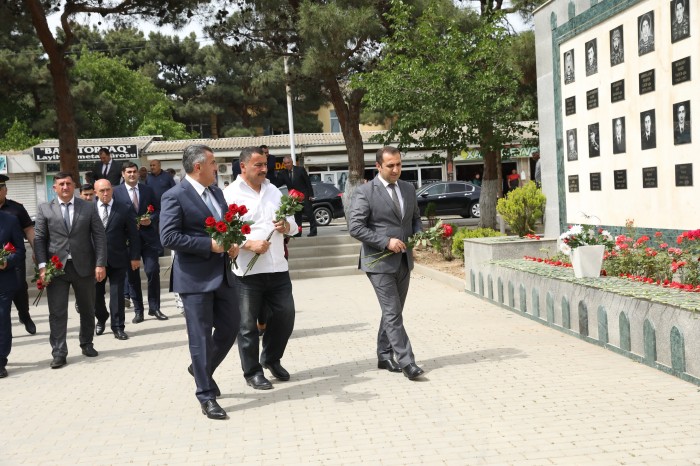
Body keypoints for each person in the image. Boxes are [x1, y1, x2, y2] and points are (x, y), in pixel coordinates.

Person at [160, 144, 241, 420]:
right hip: (194, 279)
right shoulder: (175, 196)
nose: (216, 168)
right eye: (213, 163)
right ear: (198, 167)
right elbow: (169, 237)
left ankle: (200, 368)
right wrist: (210, 245)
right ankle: (206, 396)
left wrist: (232, 243)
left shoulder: (217, 193)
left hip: (223, 274)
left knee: (231, 328)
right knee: (200, 338)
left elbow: (226, 226)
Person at [223, 146, 297, 391]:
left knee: (285, 316)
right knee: (247, 326)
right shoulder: (229, 194)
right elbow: (224, 234)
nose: (265, 169)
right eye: (259, 165)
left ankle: (271, 359)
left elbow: (295, 226)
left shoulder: (274, 191)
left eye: (265, 164)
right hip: (247, 272)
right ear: (243, 166)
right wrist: (248, 244)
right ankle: (252, 372)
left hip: (277, 267)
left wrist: (287, 226)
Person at [348, 146, 424, 380]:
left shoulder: (408, 189)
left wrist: (419, 236)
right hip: (378, 262)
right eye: (390, 165)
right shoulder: (365, 192)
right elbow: (356, 227)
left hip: (403, 261)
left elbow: (415, 219)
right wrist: (385, 242)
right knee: (392, 312)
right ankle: (407, 362)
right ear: (378, 166)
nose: (396, 169)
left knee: (393, 311)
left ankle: (383, 354)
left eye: (399, 164)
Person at [34, 172, 107, 369]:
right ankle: (59, 352)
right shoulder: (45, 209)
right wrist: (42, 266)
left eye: (68, 184)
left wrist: (100, 263)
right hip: (56, 269)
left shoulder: (88, 207)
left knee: (87, 308)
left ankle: (87, 343)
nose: (65, 187)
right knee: (57, 312)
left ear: (74, 186)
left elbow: (99, 236)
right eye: (61, 184)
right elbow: (39, 239)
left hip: (84, 266)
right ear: (54, 188)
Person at [113, 162, 167, 323]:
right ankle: (138, 311)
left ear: (138, 174)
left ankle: (155, 307)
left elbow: (158, 209)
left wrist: (150, 219)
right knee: (132, 276)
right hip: (128, 241)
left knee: (152, 271)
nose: (132, 174)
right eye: (128, 172)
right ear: (123, 174)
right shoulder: (116, 192)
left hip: (148, 238)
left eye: (134, 172)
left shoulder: (147, 190)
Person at [93, 180, 141, 341]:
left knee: (117, 294)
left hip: (118, 258)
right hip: (96, 260)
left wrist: (135, 256)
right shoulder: (88, 209)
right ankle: (101, 317)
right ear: (95, 192)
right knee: (95, 295)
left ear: (112, 190)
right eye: (102, 191)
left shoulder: (124, 208)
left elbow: (134, 235)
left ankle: (118, 326)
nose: (105, 194)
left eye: (108, 190)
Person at [0, 175, 36, 335]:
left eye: (0, 189)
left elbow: (29, 229)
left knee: (20, 287)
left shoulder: (16, 208)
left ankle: (25, 315)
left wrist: (37, 251)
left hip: (14, 259)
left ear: (5, 190)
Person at [0, 211, 26, 378]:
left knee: (2, 320)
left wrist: (6, 261)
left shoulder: (10, 220)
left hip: (3, 282)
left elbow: (20, 250)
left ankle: (1, 360)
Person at [277, 155, 317, 237]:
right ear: (284, 164)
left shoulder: (300, 170)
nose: (287, 164)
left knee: (309, 213)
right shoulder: (283, 173)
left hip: (304, 195)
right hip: (293, 198)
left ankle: (313, 231)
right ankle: (298, 232)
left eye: (288, 163)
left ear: (292, 162)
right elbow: (277, 183)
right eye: (285, 163)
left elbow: (307, 182)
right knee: (297, 216)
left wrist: (311, 194)